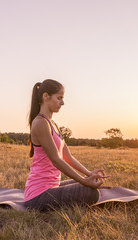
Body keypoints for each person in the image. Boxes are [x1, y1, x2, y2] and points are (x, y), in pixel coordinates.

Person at [24, 79, 110, 211]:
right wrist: (84, 181)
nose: (62, 103)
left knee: (91, 182)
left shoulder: (53, 124)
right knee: (91, 192)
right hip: (38, 196)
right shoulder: (40, 123)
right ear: (46, 96)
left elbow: (67, 156)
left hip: (52, 186)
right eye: (59, 98)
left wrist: (88, 174)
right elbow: (56, 160)